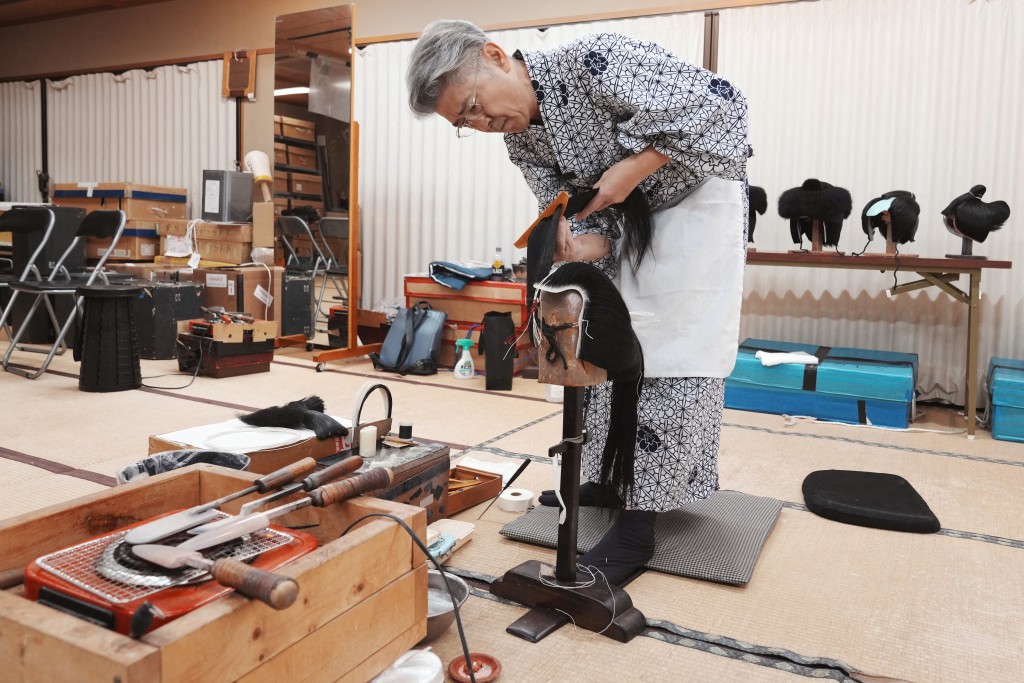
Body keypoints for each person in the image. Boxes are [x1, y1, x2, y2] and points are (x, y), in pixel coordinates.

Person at [407, 20, 750, 585]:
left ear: (495, 56)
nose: (481, 123)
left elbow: (721, 107)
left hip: (694, 202)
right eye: (464, 123)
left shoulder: (596, 59)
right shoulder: (522, 141)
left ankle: (640, 521)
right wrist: (578, 244)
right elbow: (594, 224)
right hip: (632, 222)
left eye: (472, 105)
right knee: (607, 342)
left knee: (670, 354)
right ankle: (613, 478)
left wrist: (633, 168)